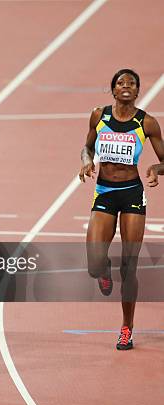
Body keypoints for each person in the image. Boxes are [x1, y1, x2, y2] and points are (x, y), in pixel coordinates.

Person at [79, 69, 164, 350]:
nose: (126, 86)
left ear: (137, 91)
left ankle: (127, 328)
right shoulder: (98, 115)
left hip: (131, 195)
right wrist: (86, 161)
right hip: (104, 191)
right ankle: (104, 269)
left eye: (131, 83)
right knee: (93, 264)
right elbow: (87, 147)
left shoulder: (147, 123)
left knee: (130, 266)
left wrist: (154, 168)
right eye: (120, 82)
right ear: (113, 90)